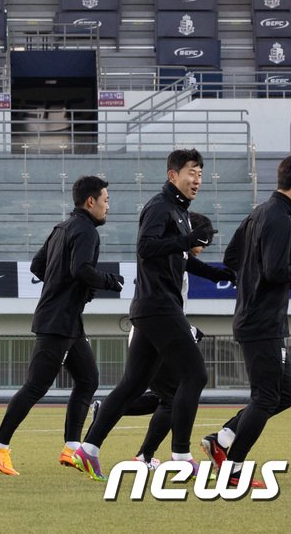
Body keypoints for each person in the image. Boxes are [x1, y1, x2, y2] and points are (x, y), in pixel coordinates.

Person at [70, 149, 217, 482]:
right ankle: (180, 455)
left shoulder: (178, 211)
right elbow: (146, 247)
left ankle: (88, 449)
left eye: (201, 174)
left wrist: (218, 274)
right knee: (193, 376)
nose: (197, 180)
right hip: (158, 306)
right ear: (172, 175)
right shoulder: (160, 207)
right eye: (191, 173)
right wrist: (187, 239)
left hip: (152, 308)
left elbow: (180, 258)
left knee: (132, 385)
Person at [199, 153, 291, 486]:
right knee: (267, 397)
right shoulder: (281, 220)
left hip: (256, 318)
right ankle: (233, 470)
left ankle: (224, 437)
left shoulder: (259, 213)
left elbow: (231, 258)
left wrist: (252, 276)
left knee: (283, 395)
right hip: (263, 322)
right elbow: (275, 272)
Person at [0, 175, 121, 477]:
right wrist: (109, 281)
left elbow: (37, 265)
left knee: (88, 380)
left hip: (68, 320)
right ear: (90, 202)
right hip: (58, 322)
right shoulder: (85, 231)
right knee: (36, 386)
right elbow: (81, 269)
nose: (108, 206)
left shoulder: (62, 228)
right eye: (106, 200)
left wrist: (65, 288)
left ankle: (72, 447)